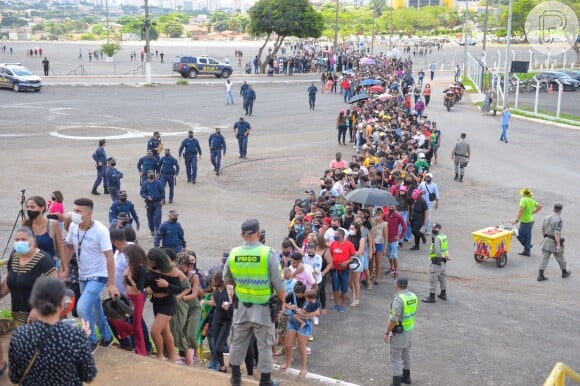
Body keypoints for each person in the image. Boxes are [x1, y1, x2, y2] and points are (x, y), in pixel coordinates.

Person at [223, 218, 286, 386]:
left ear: (242, 235)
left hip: (241, 307)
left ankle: (235, 378)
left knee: (237, 342)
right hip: (263, 309)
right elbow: (279, 284)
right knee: (265, 345)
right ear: (258, 233)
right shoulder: (268, 253)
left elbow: (227, 279)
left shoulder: (234, 253)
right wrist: (282, 302)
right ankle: (265, 382)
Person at [8, 277, 97, 386]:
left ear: (33, 302)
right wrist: (83, 339)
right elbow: (89, 375)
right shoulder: (75, 336)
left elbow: (15, 378)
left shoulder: (19, 336)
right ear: (62, 303)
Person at [60, 197, 120, 353]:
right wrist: (64, 267)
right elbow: (69, 246)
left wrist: (111, 284)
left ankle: (91, 340)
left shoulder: (101, 231)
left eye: (78, 211)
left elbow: (109, 257)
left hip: (98, 276)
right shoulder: (73, 226)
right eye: (74, 210)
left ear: (88, 214)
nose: (74, 214)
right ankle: (107, 337)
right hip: (82, 274)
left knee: (82, 308)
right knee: (95, 307)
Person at [0, 227, 57, 325]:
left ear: (33, 240)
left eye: (23, 239)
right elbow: (9, 281)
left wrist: (37, 308)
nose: (19, 242)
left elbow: (54, 288)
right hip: (17, 316)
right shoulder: (14, 256)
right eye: (17, 240)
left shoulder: (44, 260)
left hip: (39, 317)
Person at [144, 247, 189, 363]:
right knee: (165, 331)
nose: (151, 264)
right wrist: (146, 287)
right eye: (150, 261)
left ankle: (160, 355)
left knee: (154, 331)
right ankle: (173, 355)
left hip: (168, 303)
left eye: (153, 262)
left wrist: (167, 285)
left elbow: (179, 289)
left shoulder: (173, 272)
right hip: (156, 302)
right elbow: (146, 281)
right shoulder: (151, 268)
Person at [384, 277, 417, 386]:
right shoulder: (413, 296)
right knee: (406, 353)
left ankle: (396, 383)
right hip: (409, 330)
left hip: (399, 332)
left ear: (397, 284)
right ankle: (406, 378)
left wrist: (386, 332)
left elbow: (393, 319)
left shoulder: (399, 299)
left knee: (395, 357)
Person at [282, 287, 320, 378]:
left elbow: (317, 312)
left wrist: (304, 314)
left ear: (304, 294)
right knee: (288, 345)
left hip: (305, 324)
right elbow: (283, 302)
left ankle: (303, 368)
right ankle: (287, 363)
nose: (296, 295)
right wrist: (290, 307)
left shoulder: (309, 297)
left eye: (298, 293)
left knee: (302, 347)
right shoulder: (293, 295)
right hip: (293, 322)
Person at [173, 252, 202, 365]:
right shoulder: (175, 274)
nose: (180, 271)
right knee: (182, 334)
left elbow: (194, 294)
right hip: (182, 308)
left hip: (193, 308)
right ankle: (185, 356)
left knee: (191, 335)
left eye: (183, 268)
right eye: (178, 268)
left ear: (188, 266)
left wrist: (179, 298)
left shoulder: (194, 277)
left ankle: (196, 356)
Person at [205, 270, 233, 373]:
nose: (213, 282)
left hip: (226, 320)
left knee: (219, 346)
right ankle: (222, 367)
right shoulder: (215, 289)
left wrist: (229, 306)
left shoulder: (229, 289)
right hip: (216, 319)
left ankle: (237, 350)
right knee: (216, 346)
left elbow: (235, 304)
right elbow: (215, 303)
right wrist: (204, 302)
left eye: (215, 279)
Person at [23, 195, 64, 260]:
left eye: (32, 207)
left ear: (42, 208)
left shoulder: (52, 224)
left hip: (49, 266)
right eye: (27, 207)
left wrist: (64, 266)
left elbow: (60, 246)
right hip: (30, 265)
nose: (29, 209)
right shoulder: (26, 226)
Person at [538, 204, 571, 281]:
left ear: (553, 209)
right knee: (560, 256)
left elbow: (542, 228)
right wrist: (558, 244)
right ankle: (564, 272)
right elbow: (556, 233)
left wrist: (545, 237)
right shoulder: (558, 220)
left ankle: (540, 275)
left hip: (546, 240)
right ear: (560, 210)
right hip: (554, 241)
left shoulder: (546, 217)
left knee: (545, 258)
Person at [422, 224, 450, 303]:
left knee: (433, 279)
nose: (433, 229)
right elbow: (446, 248)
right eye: (433, 228)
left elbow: (437, 251)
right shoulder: (444, 236)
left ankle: (432, 297)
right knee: (442, 278)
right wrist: (446, 256)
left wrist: (443, 257)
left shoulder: (437, 238)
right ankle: (443, 294)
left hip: (437, 262)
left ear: (439, 229)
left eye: (435, 228)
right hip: (443, 263)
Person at [329, 228, 356, 312]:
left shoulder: (349, 244)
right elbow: (330, 255)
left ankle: (343, 305)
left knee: (344, 289)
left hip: (345, 270)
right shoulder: (333, 244)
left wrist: (346, 262)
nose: (334, 236)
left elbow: (354, 257)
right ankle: (336, 304)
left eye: (336, 234)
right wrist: (331, 264)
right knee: (335, 288)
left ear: (341, 235)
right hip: (335, 270)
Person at [514, 187, 542, 257]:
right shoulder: (531, 200)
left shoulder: (523, 199)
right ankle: (527, 251)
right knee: (528, 236)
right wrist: (533, 212)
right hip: (531, 221)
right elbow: (540, 206)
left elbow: (521, 210)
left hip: (525, 221)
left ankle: (527, 247)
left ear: (523, 194)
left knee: (518, 234)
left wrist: (517, 220)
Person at [140, 170, 165, 236]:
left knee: (157, 216)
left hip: (157, 202)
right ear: (147, 175)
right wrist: (147, 197)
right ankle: (152, 230)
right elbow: (142, 193)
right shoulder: (145, 183)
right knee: (150, 218)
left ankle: (157, 229)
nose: (151, 175)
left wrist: (162, 199)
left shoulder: (158, 183)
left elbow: (162, 191)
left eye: (152, 174)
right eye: (149, 174)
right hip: (149, 203)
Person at [384, 206, 407, 279]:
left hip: (394, 240)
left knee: (394, 255)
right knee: (388, 255)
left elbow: (404, 226)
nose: (391, 208)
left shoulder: (398, 216)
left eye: (392, 207)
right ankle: (391, 268)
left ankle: (396, 270)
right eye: (390, 206)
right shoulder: (385, 215)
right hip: (387, 239)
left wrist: (400, 236)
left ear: (395, 208)